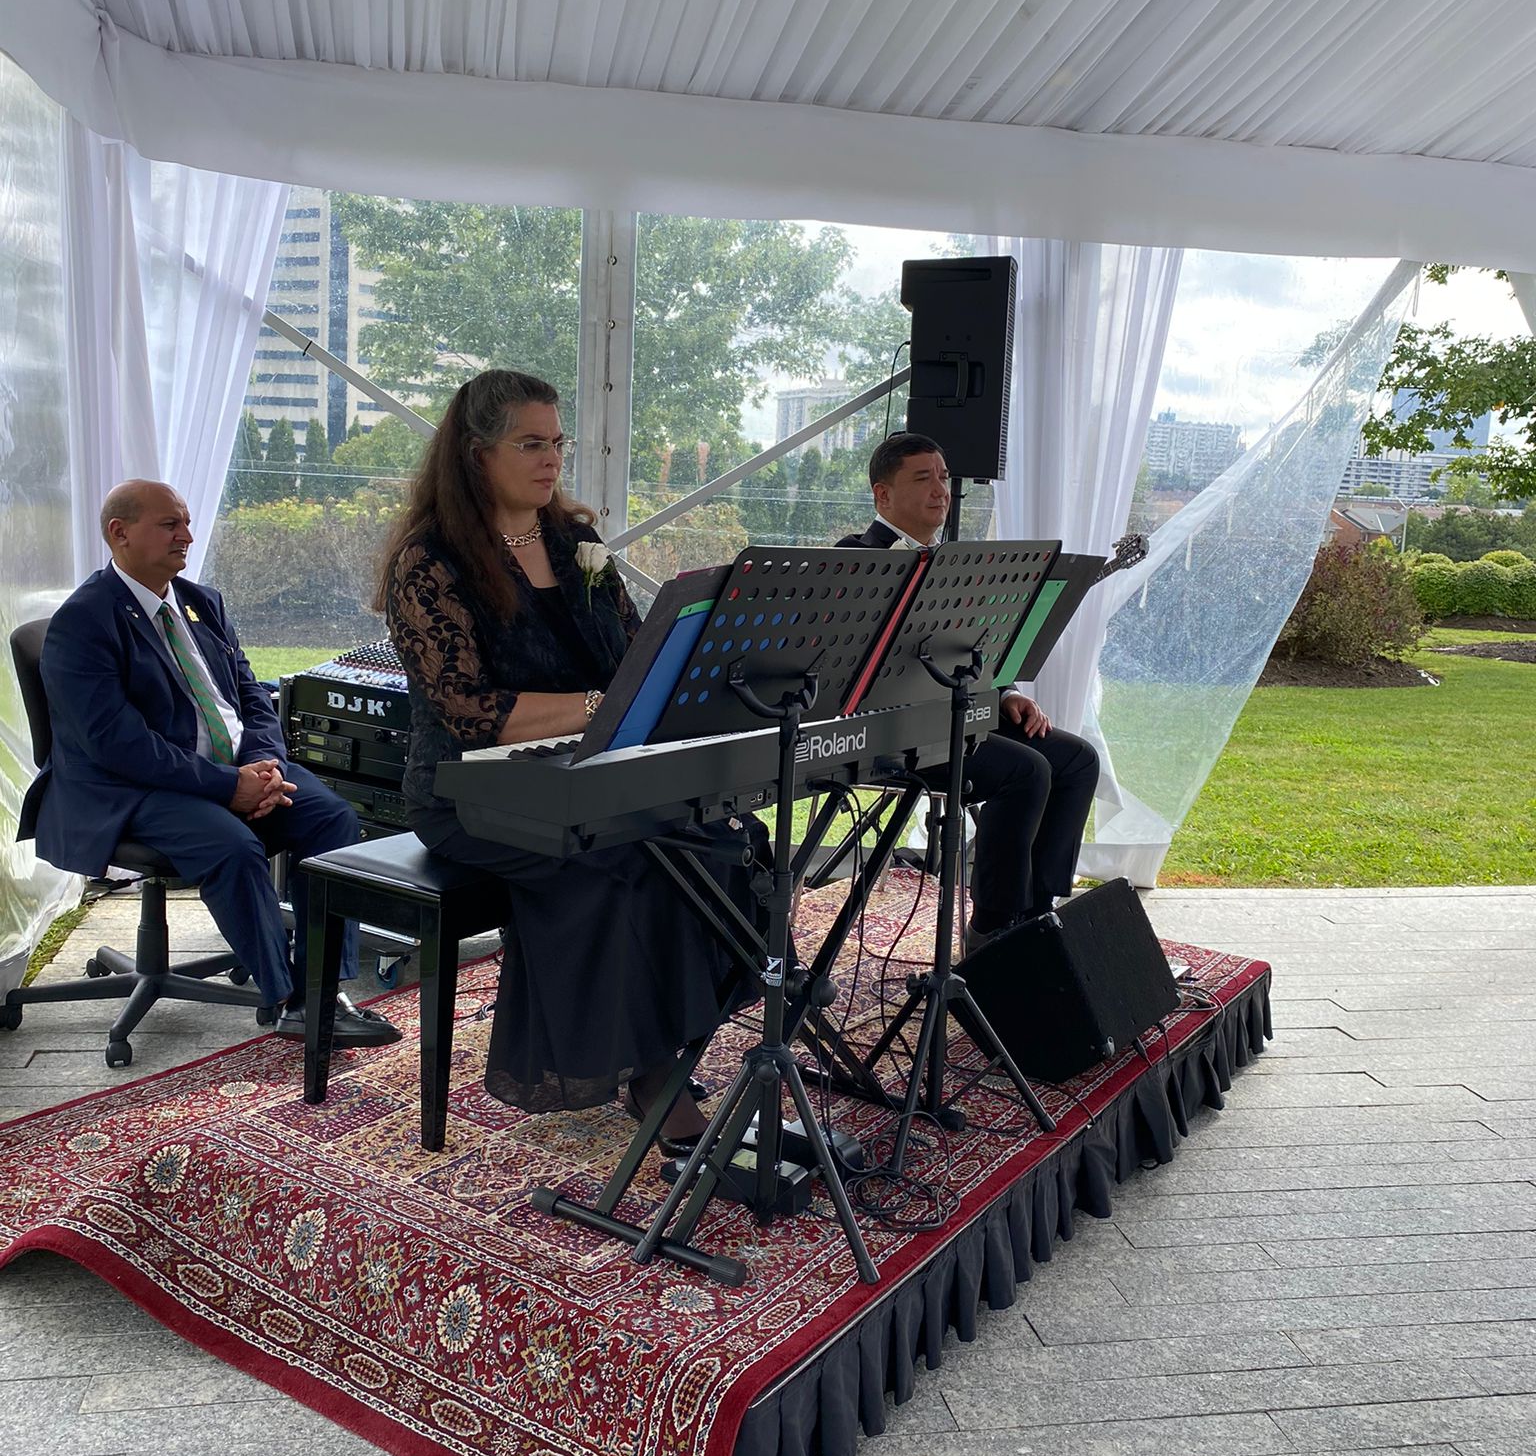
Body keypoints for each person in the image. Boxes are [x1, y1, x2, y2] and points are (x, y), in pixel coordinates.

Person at [378, 369, 760, 1147]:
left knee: (718, 839)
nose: (551, 458)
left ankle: (676, 1043)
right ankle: (650, 1071)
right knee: (618, 862)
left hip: (583, 772)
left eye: (557, 442)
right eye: (530, 443)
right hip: (468, 796)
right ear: (476, 452)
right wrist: (599, 710)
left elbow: (632, 652)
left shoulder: (576, 543)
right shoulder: (430, 562)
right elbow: (467, 713)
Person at [19, 481, 395, 1044]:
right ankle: (289, 1000)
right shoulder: (86, 621)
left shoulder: (201, 601)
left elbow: (249, 696)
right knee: (233, 845)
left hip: (230, 769)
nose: (187, 535)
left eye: (186, 522)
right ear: (119, 534)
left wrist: (264, 766)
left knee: (333, 819)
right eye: (169, 524)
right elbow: (118, 745)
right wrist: (228, 788)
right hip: (129, 788)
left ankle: (322, 987)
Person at [836, 432, 1099, 945]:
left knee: (1077, 760)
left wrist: (1007, 695)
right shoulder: (857, 558)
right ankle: (993, 929)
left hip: (960, 717)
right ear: (882, 495)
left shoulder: (956, 564)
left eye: (942, 476)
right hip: (895, 732)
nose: (941, 489)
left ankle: (1038, 917)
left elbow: (978, 651)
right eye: (922, 478)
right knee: (1027, 771)